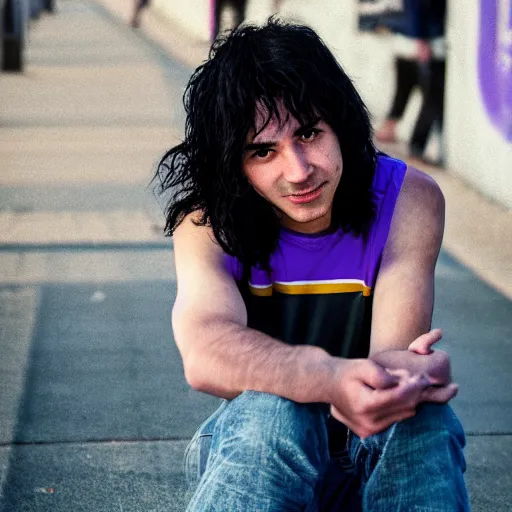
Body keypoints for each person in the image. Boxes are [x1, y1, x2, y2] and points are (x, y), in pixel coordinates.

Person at [156, 18, 469, 511]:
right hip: (258, 459)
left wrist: (412, 376)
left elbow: (387, 366)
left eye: (308, 133)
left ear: (339, 125)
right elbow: (205, 347)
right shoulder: (208, 223)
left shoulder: (406, 200)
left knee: (419, 416)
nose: (299, 171)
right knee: (276, 410)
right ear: (233, 164)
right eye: (263, 151)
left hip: (369, 460)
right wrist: (325, 377)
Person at [375, 0, 447, 165]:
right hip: (426, 42)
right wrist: (421, 40)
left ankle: (390, 127)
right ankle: (416, 147)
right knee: (432, 97)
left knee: (405, 88)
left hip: (409, 38)